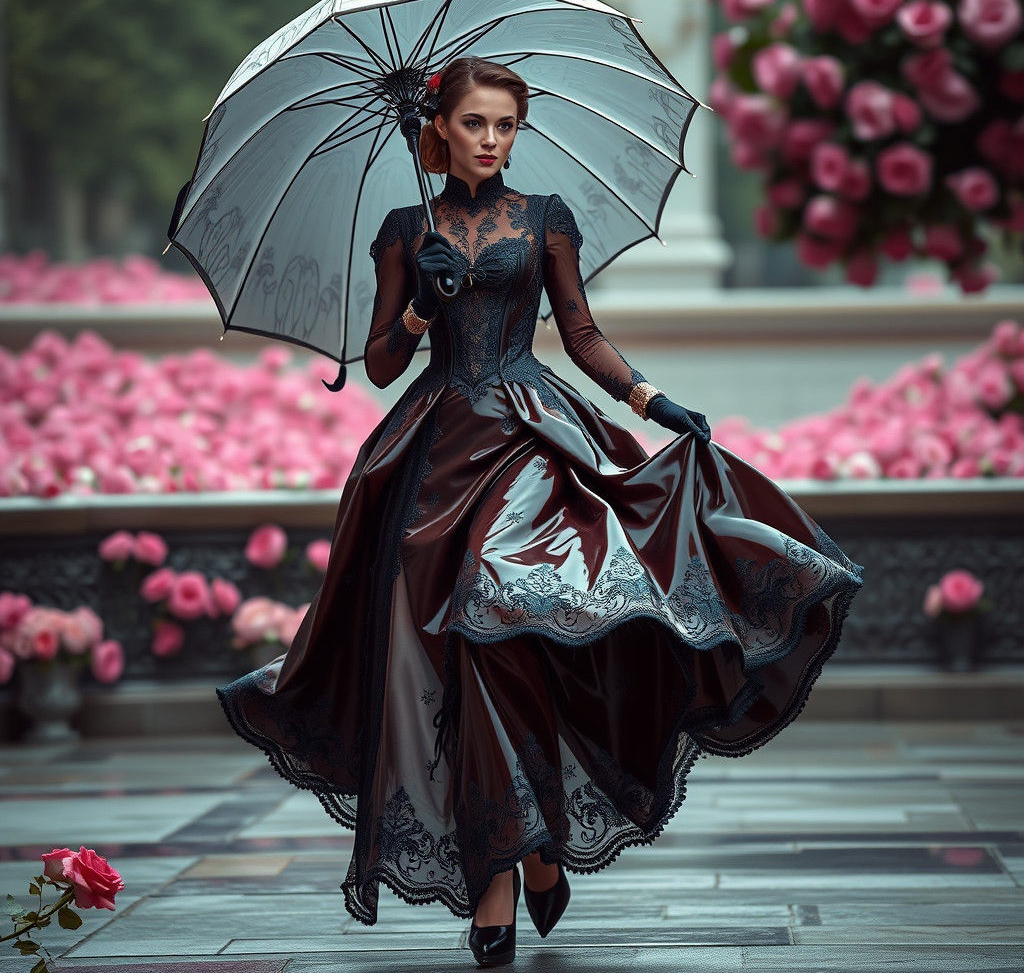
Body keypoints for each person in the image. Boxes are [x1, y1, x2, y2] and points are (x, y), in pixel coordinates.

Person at [215, 56, 865, 967]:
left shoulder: (544, 217)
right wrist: (416, 311)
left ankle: (510, 862)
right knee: (451, 650)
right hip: (433, 448)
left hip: (531, 434)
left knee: (502, 619)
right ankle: (523, 851)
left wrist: (652, 401)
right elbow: (381, 365)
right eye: (475, 124)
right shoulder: (407, 229)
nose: (490, 141)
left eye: (505, 126)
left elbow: (583, 333)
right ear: (439, 130)